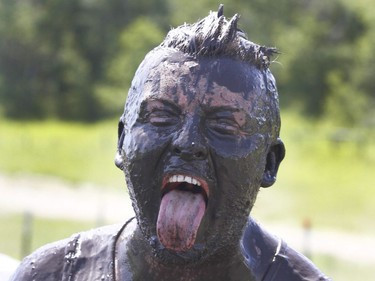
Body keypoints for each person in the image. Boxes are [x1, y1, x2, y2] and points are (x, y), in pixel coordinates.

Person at [11, 6, 330, 281]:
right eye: (162, 117)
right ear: (122, 141)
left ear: (269, 163)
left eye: (223, 125)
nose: (188, 143)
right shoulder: (52, 274)